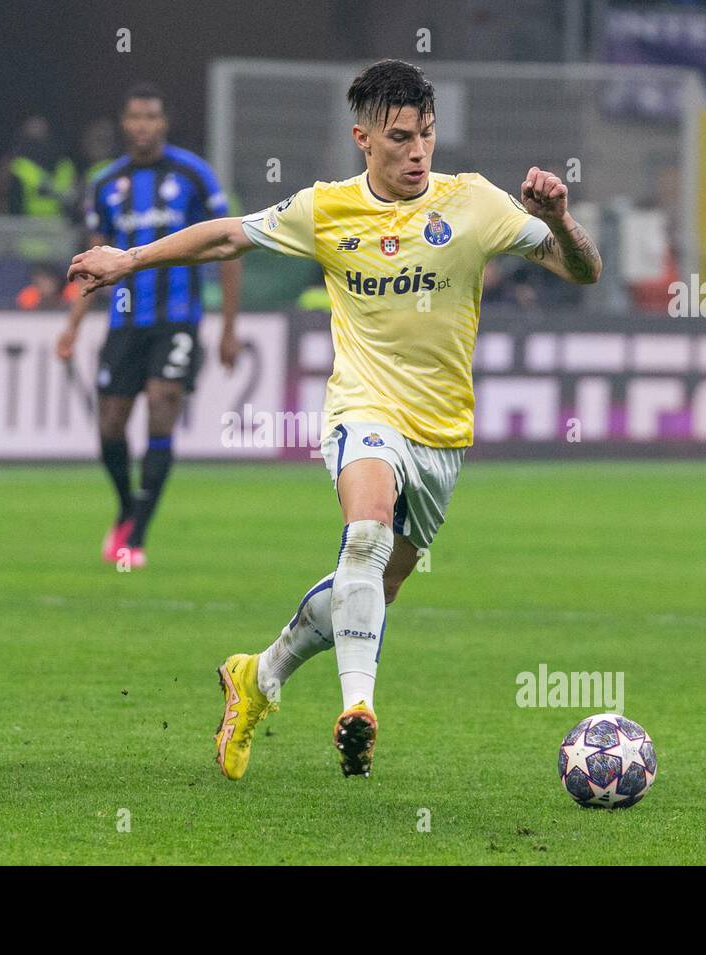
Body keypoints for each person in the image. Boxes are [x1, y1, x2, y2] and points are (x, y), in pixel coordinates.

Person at [69, 59, 601, 779]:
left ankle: (257, 676)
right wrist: (129, 259)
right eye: (401, 138)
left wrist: (559, 221)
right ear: (363, 138)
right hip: (363, 408)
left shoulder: (473, 202)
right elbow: (227, 236)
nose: (417, 152)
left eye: (427, 136)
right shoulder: (325, 210)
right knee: (366, 531)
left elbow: (582, 271)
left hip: (443, 432)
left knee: (374, 589)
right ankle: (359, 709)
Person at [57, 83, 241, 568]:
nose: (143, 125)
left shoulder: (195, 175)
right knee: (111, 423)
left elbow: (228, 247)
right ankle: (127, 505)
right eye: (135, 116)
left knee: (163, 404)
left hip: (178, 320)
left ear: (165, 122)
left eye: (152, 116)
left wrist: (227, 327)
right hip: (124, 321)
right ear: (125, 123)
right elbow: (93, 259)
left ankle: (136, 532)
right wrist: (74, 323)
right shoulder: (106, 183)